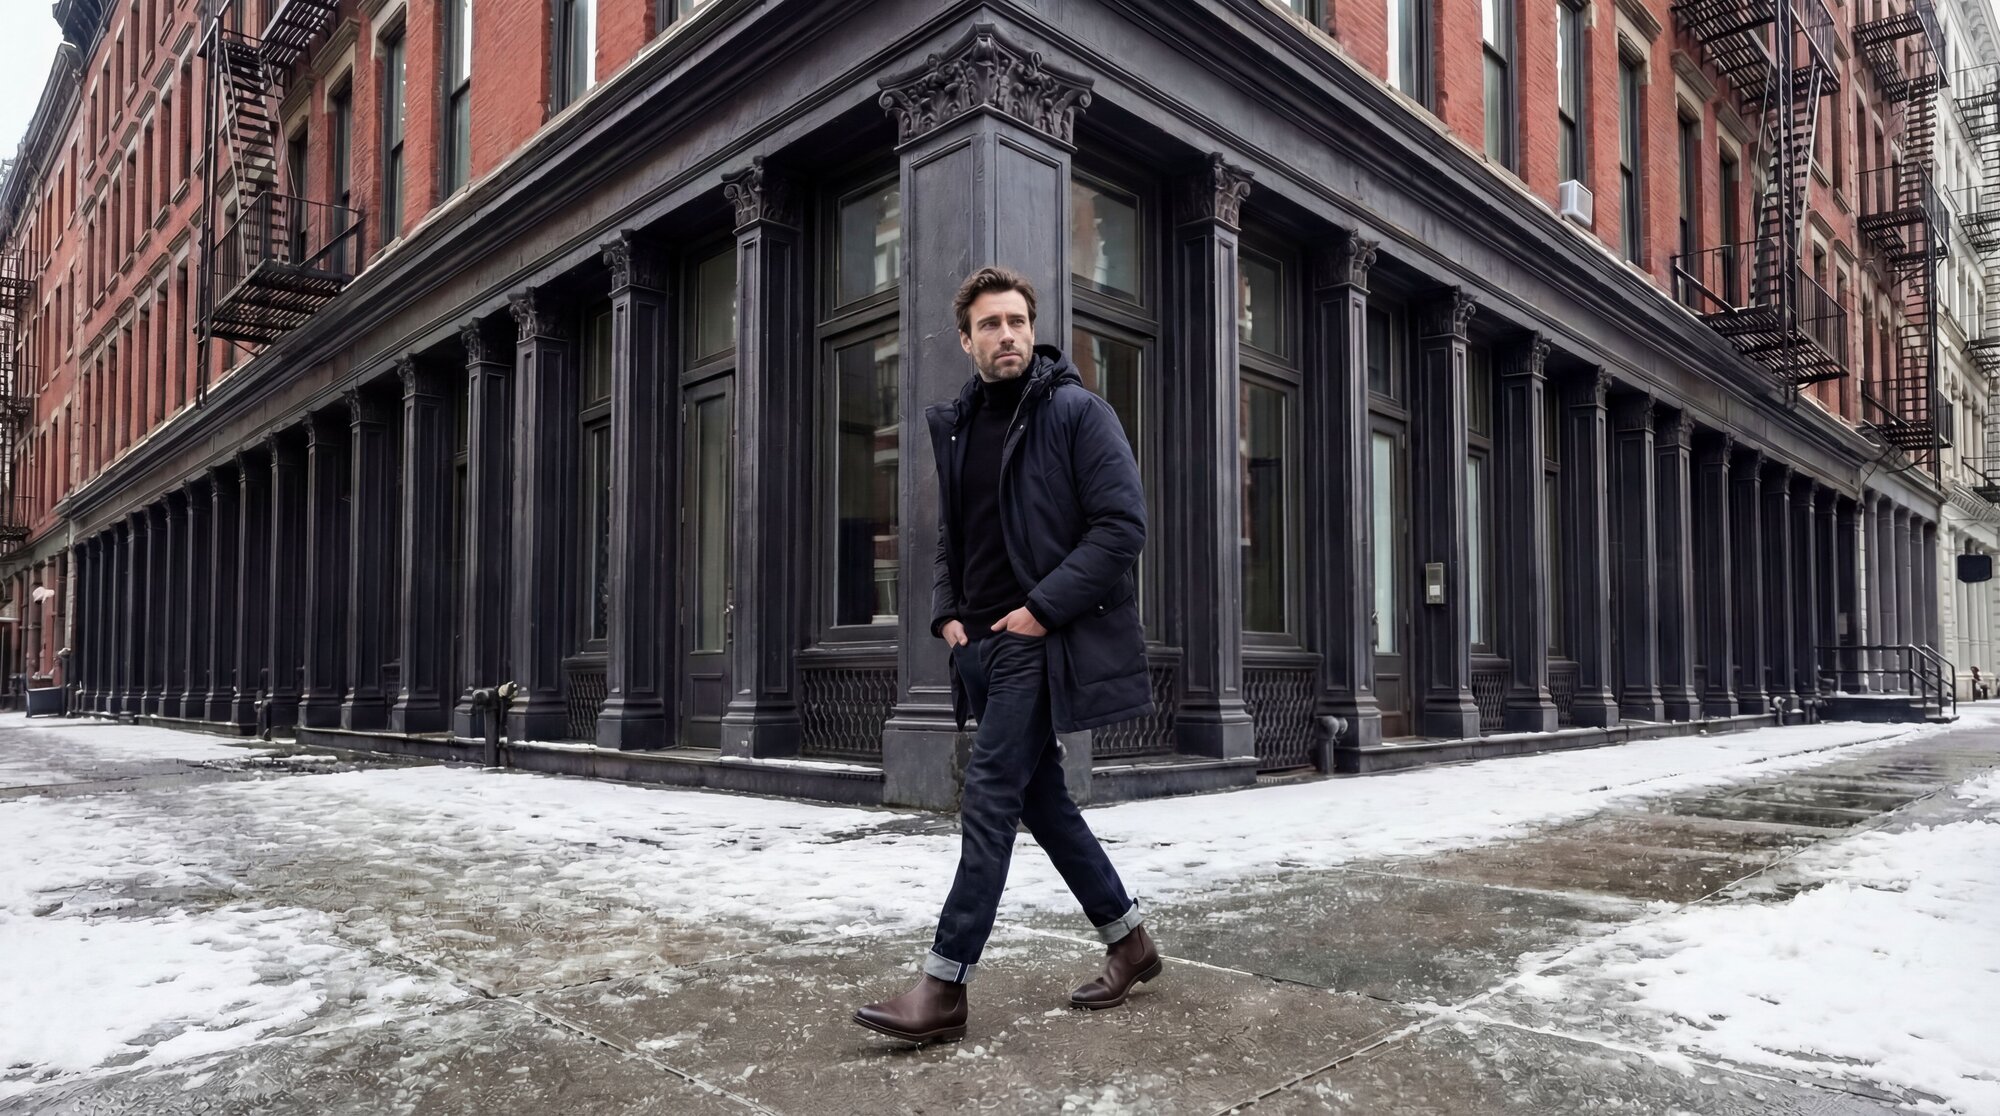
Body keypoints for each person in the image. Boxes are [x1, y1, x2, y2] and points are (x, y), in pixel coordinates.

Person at [852, 267, 1158, 1045]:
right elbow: (955, 535)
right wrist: (948, 616)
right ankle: (1130, 941)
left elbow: (1121, 529)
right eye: (990, 325)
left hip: (1036, 642)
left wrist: (1037, 611)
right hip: (981, 649)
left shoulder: (1076, 413)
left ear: (1033, 327)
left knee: (989, 796)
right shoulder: (956, 426)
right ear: (966, 340)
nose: (1008, 335)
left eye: (1017, 320)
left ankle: (945, 986)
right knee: (1042, 803)